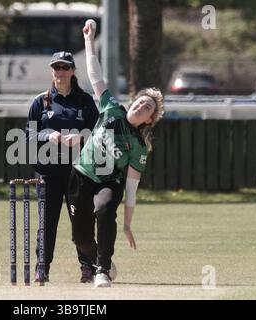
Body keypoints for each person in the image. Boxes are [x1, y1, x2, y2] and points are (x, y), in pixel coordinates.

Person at [67, 20, 165, 287]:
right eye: (141, 101)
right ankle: (104, 261)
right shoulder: (111, 108)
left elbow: (131, 188)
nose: (142, 106)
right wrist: (89, 39)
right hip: (82, 175)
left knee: (105, 209)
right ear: (132, 103)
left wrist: (128, 225)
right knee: (81, 238)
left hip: (108, 182)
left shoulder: (138, 146)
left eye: (148, 108)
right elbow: (95, 75)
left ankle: (101, 270)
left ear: (148, 120)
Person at [26, 51, 99, 283]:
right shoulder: (42, 101)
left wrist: (80, 137)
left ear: (73, 71)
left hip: (79, 171)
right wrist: (49, 135)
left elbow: (99, 133)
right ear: (52, 71)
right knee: (47, 221)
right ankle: (42, 268)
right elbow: (29, 134)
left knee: (81, 220)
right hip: (48, 171)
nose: (61, 71)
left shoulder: (85, 101)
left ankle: (88, 267)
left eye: (65, 67)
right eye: (56, 67)